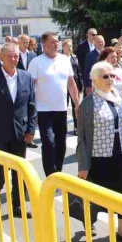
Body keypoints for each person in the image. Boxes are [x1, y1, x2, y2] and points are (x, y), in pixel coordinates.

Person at [76, 61, 122, 242]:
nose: (110, 79)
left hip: (121, 154)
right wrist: (83, 165)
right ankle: (88, 223)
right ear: (94, 80)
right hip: (99, 159)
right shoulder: (88, 103)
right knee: (95, 196)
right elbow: (82, 136)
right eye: (105, 76)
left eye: (112, 75)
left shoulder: (117, 97)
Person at [0, 42, 36, 219]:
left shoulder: (26, 76)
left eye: (16, 56)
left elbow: (31, 105)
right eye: (9, 56)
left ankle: (18, 205)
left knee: (19, 171)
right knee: (1, 169)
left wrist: (31, 129)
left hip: (20, 132)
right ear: (1, 58)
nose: (13, 59)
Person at [28, 32, 80, 176]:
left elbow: (71, 83)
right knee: (49, 143)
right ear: (43, 44)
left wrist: (77, 103)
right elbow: (30, 88)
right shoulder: (36, 62)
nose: (56, 44)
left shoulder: (65, 60)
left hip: (61, 109)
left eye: (57, 41)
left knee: (61, 144)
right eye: (52, 42)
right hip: (43, 110)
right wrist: (32, 112)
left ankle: (58, 172)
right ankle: (50, 175)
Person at [98, 47, 122, 114]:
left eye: (116, 57)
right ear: (105, 58)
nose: (115, 59)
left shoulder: (119, 71)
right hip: (107, 106)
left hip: (121, 105)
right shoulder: (101, 73)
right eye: (112, 57)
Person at [62, 39, 83, 134]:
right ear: (63, 47)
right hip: (64, 84)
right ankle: (63, 127)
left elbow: (78, 71)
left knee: (76, 105)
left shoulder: (74, 57)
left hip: (75, 84)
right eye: (68, 46)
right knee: (64, 106)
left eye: (71, 46)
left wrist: (80, 84)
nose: (70, 47)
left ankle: (76, 127)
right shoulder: (60, 58)